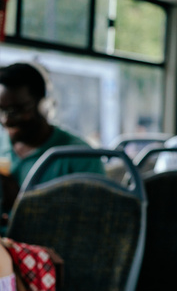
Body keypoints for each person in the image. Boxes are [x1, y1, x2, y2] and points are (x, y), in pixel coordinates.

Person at [0, 62, 104, 215]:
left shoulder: (80, 157)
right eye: (1, 110)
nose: (6, 120)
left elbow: (96, 220)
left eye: (16, 110)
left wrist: (21, 204)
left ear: (43, 105)